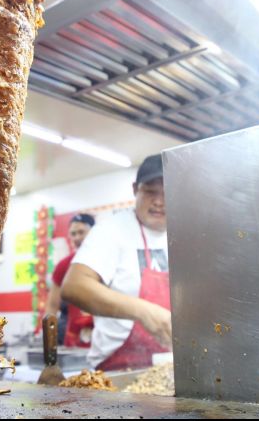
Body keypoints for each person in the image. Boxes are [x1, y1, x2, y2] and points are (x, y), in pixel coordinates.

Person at [61, 154, 170, 370]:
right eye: (150, 191)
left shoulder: (186, 230)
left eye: (167, 193)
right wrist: (143, 311)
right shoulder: (112, 230)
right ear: (135, 190)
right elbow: (74, 286)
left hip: (172, 366)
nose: (159, 201)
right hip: (118, 368)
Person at [44, 213, 96, 347]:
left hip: (103, 339)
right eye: (73, 234)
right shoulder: (63, 265)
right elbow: (52, 306)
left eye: (81, 232)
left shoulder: (108, 260)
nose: (77, 237)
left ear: (94, 233)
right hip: (73, 342)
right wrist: (49, 342)